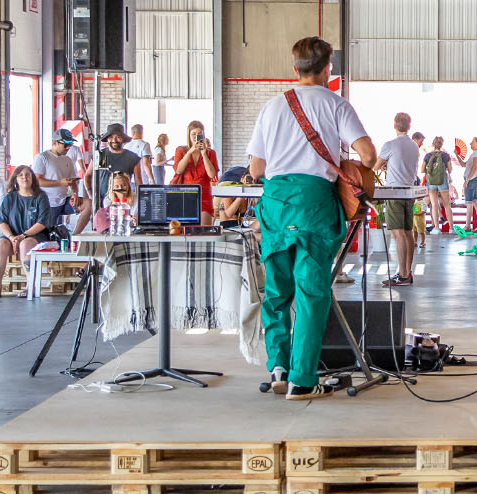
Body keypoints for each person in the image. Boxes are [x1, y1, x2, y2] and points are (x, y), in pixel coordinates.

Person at [246, 36, 377, 400]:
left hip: (275, 203)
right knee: (311, 291)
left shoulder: (272, 107)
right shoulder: (336, 105)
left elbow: (257, 168)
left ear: (295, 69)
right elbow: (368, 155)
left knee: (276, 291)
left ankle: (279, 367)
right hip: (314, 204)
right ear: (327, 68)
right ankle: (302, 380)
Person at [0, 166, 54, 297]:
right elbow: (2, 222)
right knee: (1, 244)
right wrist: (12, 237)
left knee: (25, 244)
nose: (24, 177)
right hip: (12, 236)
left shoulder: (41, 197)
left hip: (35, 236)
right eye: (20, 175)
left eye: (27, 175)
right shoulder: (9, 198)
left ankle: (30, 286)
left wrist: (22, 236)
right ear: (15, 179)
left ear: (32, 178)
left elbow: (42, 222)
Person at [373, 113, 421, 287]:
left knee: (397, 233)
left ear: (394, 124)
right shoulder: (414, 146)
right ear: (409, 126)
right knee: (408, 233)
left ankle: (401, 274)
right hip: (409, 191)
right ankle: (407, 272)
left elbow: (375, 167)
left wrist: (384, 164)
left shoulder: (390, 145)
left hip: (394, 192)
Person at [31, 130, 81, 233]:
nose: (68, 148)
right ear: (55, 143)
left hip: (64, 199)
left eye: (70, 144)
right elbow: (37, 181)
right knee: (48, 233)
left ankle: (76, 235)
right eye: (65, 145)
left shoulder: (68, 159)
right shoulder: (42, 158)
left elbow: (73, 181)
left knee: (88, 205)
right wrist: (59, 183)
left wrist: (75, 194)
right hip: (48, 202)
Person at [170, 121, 219, 225]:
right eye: (193, 134)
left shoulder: (211, 153)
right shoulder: (181, 150)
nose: (196, 137)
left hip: (203, 196)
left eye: (199, 134)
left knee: (204, 230)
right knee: (185, 231)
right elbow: (178, 170)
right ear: (189, 135)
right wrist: (190, 152)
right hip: (185, 195)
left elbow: (212, 175)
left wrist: (204, 154)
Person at [421, 134, 454, 234]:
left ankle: (436, 228)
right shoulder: (445, 155)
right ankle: (451, 228)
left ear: (433, 144)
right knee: (447, 204)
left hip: (431, 182)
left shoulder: (427, 156)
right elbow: (450, 169)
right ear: (441, 144)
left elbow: (422, 170)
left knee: (434, 205)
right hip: (442, 181)